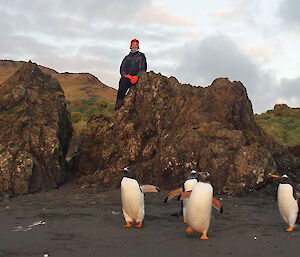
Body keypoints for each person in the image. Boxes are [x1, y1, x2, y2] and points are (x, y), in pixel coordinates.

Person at [115, 39, 147, 110]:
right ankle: (119, 101)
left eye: (136, 45)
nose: (134, 46)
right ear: (131, 46)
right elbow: (122, 69)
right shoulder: (126, 58)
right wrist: (126, 76)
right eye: (133, 45)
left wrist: (136, 76)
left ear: (138, 46)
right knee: (122, 81)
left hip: (137, 78)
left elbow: (143, 68)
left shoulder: (141, 56)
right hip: (128, 78)